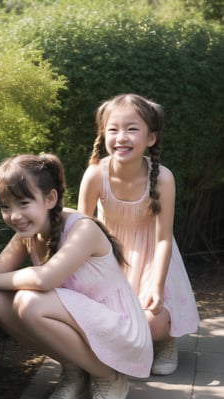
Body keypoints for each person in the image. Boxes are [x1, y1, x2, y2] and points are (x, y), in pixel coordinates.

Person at [0, 153, 153, 399]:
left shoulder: (82, 229)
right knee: (0, 302)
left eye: (24, 203)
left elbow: (44, 280)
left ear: (50, 199)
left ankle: (108, 378)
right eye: (6, 207)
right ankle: (76, 374)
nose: (14, 215)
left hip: (120, 329)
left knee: (29, 302)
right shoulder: (29, 236)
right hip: (85, 324)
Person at [78, 93, 200, 376]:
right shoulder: (95, 174)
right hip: (109, 256)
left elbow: (162, 239)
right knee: (106, 321)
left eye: (132, 129)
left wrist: (156, 288)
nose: (121, 137)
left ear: (151, 138)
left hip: (152, 258)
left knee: (151, 321)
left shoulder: (163, 179)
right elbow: (82, 231)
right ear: (103, 135)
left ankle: (165, 340)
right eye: (113, 129)